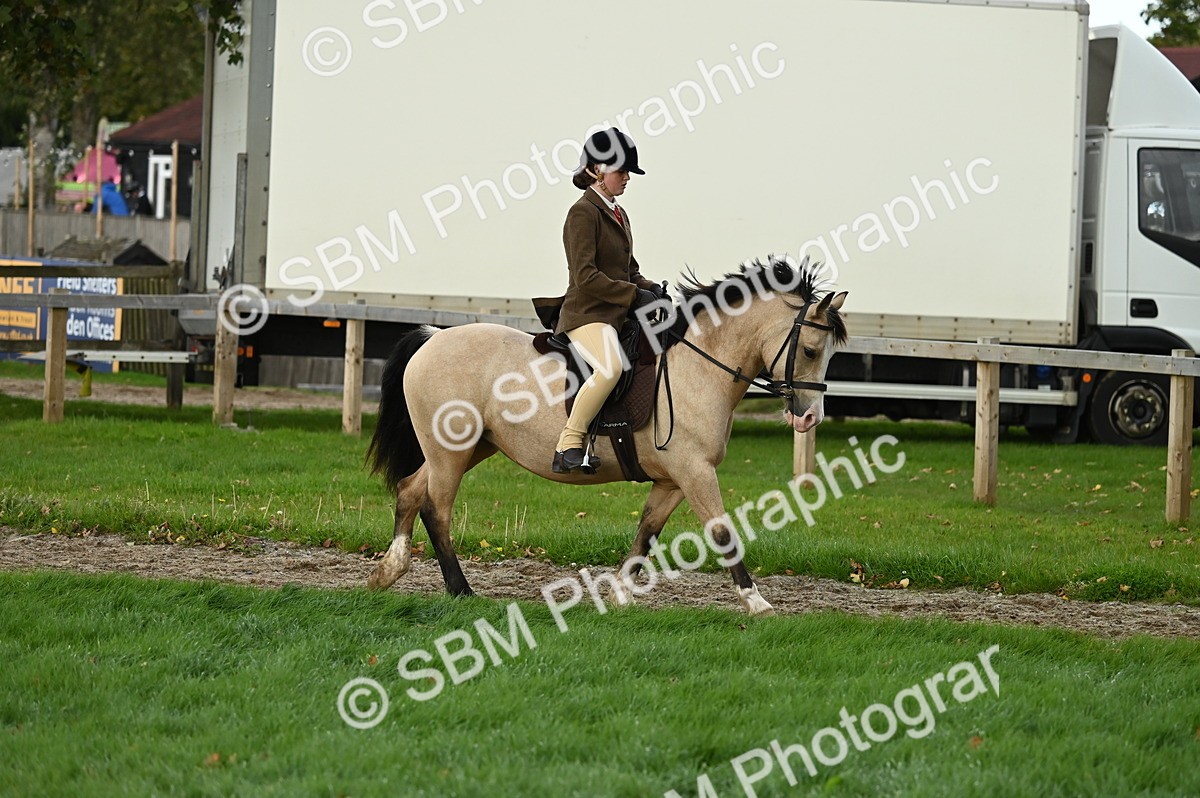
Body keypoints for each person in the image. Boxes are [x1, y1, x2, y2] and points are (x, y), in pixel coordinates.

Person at [550, 127, 665, 474]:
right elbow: (585, 277)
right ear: (597, 169)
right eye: (621, 171)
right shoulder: (582, 213)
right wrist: (634, 295)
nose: (627, 177)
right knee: (611, 366)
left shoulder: (618, 213)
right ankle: (569, 441)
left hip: (616, 314)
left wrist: (652, 289)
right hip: (587, 314)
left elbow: (629, 271)